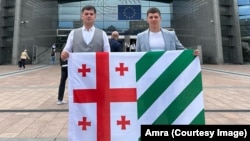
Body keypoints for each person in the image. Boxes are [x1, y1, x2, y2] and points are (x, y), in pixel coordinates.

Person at [60, 5, 110, 104]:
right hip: (79, 76)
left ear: (95, 16)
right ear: (81, 16)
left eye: (91, 14)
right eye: (86, 14)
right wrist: (64, 54)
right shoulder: (73, 33)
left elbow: (108, 55)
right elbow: (66, 50)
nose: (89, 16)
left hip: (96, 75)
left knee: (97, 101)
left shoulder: (102, 34)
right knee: (80, 102)